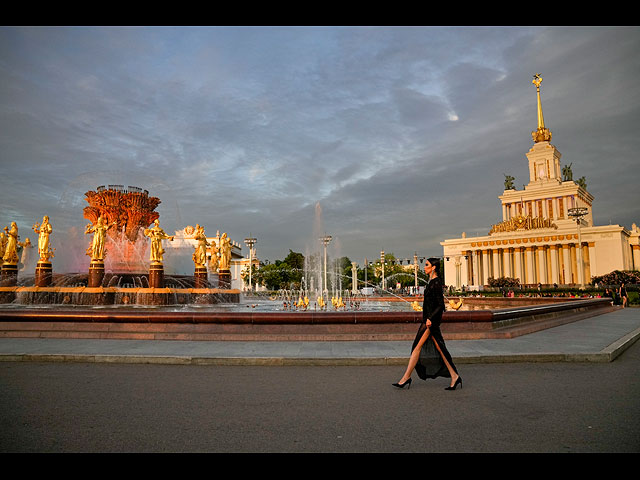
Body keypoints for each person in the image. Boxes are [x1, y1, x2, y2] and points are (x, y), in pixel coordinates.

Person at [393, 257, 461, 391]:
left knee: (416, 347)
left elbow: (441, 305)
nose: (424, 267)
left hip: (430, 322)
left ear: (434, 267)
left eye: (427, 265)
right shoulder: (432, 282)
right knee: (440, 348)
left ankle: (406, 378)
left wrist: (430, 318)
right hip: (428, 320)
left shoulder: (436, 283)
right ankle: (454, 376)